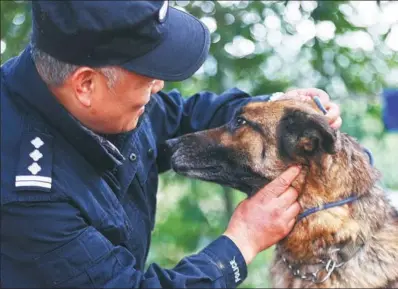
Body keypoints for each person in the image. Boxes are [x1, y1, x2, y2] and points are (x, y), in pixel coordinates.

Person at [0, 1, 342, 288]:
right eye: (148, 76)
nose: (159, 85)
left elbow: (184, 116)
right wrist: (241, 242)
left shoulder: (110, 103)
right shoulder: (27, 193)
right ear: (86, 84)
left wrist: (280, 107)